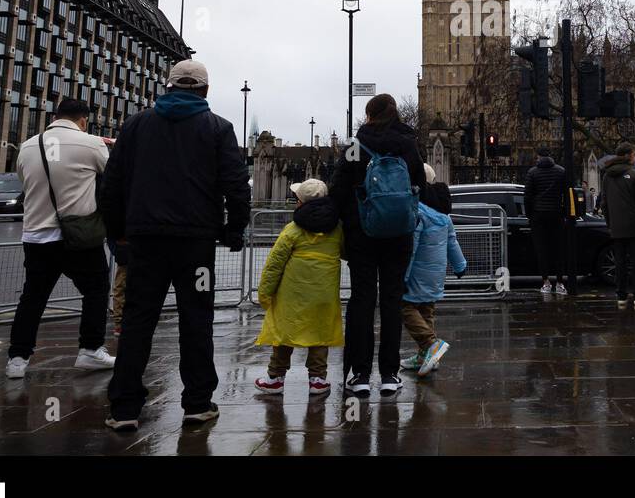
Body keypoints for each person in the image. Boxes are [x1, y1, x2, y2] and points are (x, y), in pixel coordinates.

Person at [99, 59, 250, 431]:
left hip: (145, 242)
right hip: (196, 246)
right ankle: (198, 402)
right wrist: (234, 230)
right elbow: (236, 184)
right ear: (205, 90)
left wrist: (118, 232)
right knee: (196, 318)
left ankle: (124, 408)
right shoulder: (219, 128)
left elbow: (112, 184)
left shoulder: (136, 125)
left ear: (167, 87)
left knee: (137, 320)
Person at [5, 98, 114, 379]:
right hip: (79, 235)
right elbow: (113, 178)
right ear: (83, 120)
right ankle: (90, 350)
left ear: (56, 116)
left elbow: (25, 181)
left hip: (37, 234)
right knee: (96, 290)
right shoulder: (91, 144)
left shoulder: (28, 146)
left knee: (33, 296)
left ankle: (18, 358)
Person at [328, 92, 426, 398]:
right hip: (398, 234)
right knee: (392, 302)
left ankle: (359, 375)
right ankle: (389, 375)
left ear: (369, 115)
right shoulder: (408, 143)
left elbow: (339, 188)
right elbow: (419, 183)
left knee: (362, 300)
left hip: (363, 234)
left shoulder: (356, 145)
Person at [253, 179, 343, 398]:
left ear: (300, 202)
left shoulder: (292, 230)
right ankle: (318, 380)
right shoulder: (337, 229)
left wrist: (265, 292)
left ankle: (275, 378)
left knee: (284, 335)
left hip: (291, 295)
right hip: (324, 295)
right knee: (320, 335)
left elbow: (274, 265)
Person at [399, 164, 467, 377]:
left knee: (405, 307)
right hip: (436, 272)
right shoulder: (443, 215)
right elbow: (452, 242)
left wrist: (404, 275)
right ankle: (425, 356)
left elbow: (411, 248)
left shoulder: (418, 212)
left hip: (418, 271)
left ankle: (431, 345)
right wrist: (460, 265)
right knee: (426, 310)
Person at [600, 142, 635, 307]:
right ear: (628, 155)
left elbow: (604, 203)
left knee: (619, 262)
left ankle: (621, 295)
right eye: (634, 154)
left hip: (616, 226)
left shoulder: (607, 176)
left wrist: (610, 223)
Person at [524, 147, 569, 294]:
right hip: (556, 213)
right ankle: (560, 283)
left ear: (538, 157)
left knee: (541, 250)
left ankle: (546, 282)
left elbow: (527, 196)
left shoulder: (532, 172)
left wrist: (529, 214)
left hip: (538, 215)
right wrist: (564, 212)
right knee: (559, 250)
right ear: (550, 156)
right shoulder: (561, 171)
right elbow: (566, 194)